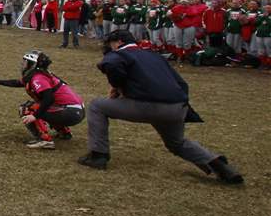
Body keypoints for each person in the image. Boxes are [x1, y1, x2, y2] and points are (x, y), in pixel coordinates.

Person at [78, 29, 243, 183]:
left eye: (111, 44)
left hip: (148, 105)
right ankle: (221, 167)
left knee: (97, 106)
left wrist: (118, 86)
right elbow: (181, 83)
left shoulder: (120, 54)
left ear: (119, 42)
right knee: (177, 143)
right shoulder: (154, 56)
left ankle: (98, 155)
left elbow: (112, 65)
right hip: (177, 107)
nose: (109, 48)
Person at [0, 50, 85, 150]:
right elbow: (18, 83)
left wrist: (35, 116)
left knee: (27, 108)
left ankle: (44, 140)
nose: (23, 65)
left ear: (34, 64)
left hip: (69, 112)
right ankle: (64, 132)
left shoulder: (38, 77)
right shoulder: (40, 74)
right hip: (75, 110)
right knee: (44, 106)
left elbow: (49, 99)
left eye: (26, 62)